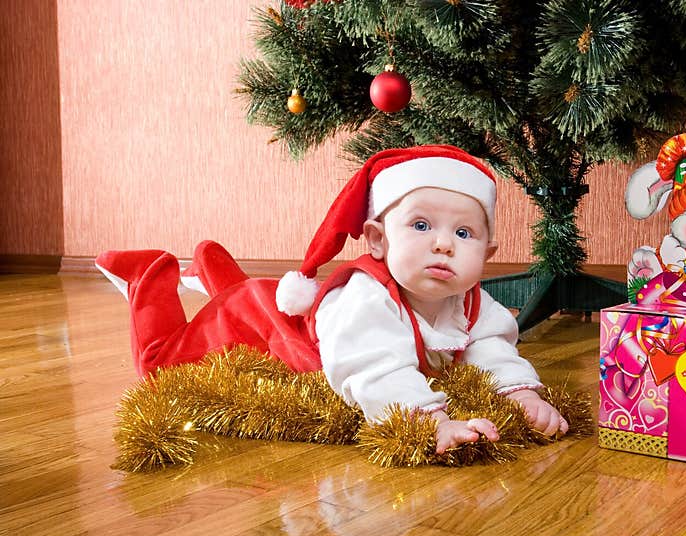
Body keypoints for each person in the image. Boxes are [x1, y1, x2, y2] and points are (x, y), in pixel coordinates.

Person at [96, 144, 568, 455]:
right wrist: (432, 421)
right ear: (377, 240)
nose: (443, 244)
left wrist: (520, 390)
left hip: (286, 310)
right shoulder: (367, 297)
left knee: (258, 297)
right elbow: (375, 370)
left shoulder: (470, 299)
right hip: (259, 326)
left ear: (486, 255)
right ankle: (148, 277)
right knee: (165, 367)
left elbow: (493, 346)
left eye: (463, 233)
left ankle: (215, 270)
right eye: (421, 226)